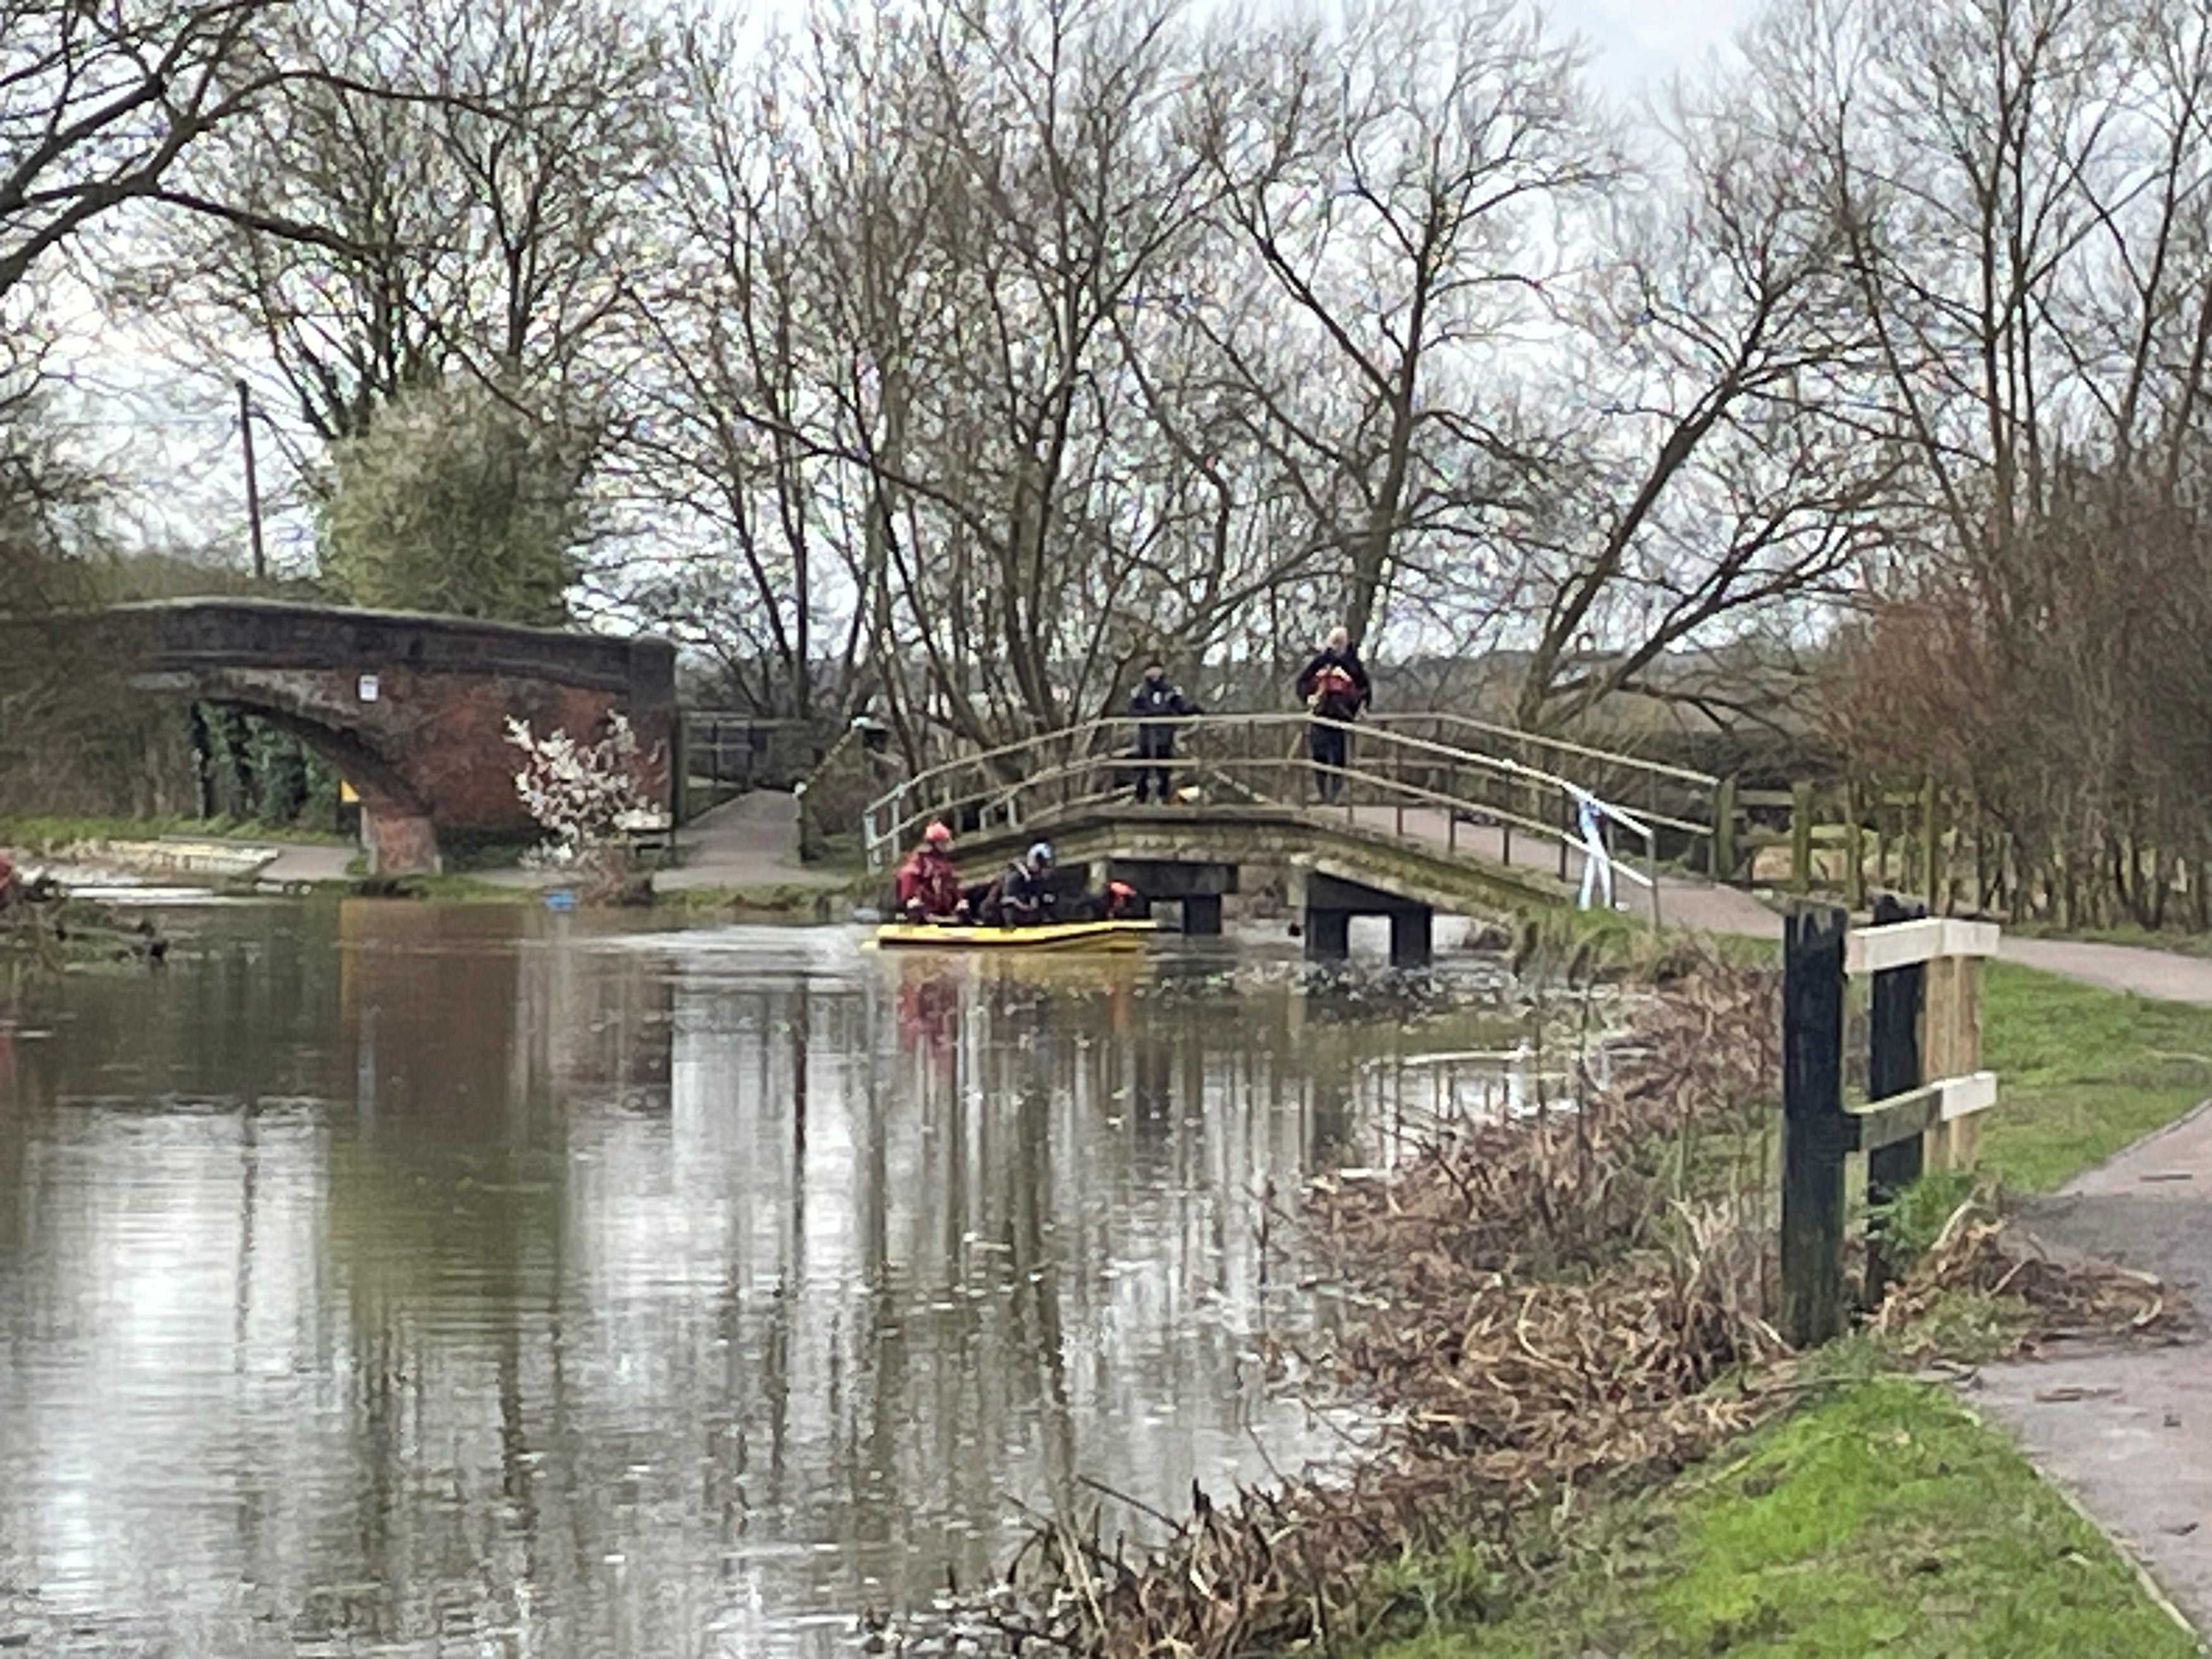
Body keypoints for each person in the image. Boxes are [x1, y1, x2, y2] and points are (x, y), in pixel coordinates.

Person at [1294, 626, 1371, 802]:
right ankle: (1322, 794)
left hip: (1342, 717)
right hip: (1320, 714)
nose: (1337, 645)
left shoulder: (1353, 665)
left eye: (1340, 641)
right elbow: (1302, 683)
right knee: (1319, 755)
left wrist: (1358, 706)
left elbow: (1365, 688)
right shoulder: (1320, 662)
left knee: (1338, 757)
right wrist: (1308, 697)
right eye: (1334, 641)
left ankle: (1335, 795)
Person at [1127, 660, 1200, 804]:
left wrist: (1194, 709)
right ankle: (1140, 797)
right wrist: (1145, 715)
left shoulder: (1170, 691)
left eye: (1157, 669)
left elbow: (1180, 706)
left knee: (1164, 766)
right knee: (1143, 766)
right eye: (1151, 670)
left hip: (1165, 733)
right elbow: (1133, 709)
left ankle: (1162, 796)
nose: (1154, 673)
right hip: (1146, 734)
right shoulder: (1140, 691)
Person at [894, 821, 967, 922]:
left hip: (945, 913)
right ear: (934, 843)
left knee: (964, 910)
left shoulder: (945, 865)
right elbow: (909, 880)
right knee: (915, 908)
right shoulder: (918, 862)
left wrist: (959, 902)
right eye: (943, 842)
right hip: (923, 912)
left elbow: (952, 886)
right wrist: (912, 899)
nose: (946, 845)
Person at [992, 842, 1058, 927]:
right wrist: (1021, 905)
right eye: (1043, 864)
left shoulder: (1037, 879)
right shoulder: (1015, 877)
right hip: (1012, 922)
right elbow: (1005, 901)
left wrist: (1043, 898)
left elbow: (1037, 896)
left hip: (1032, 921)